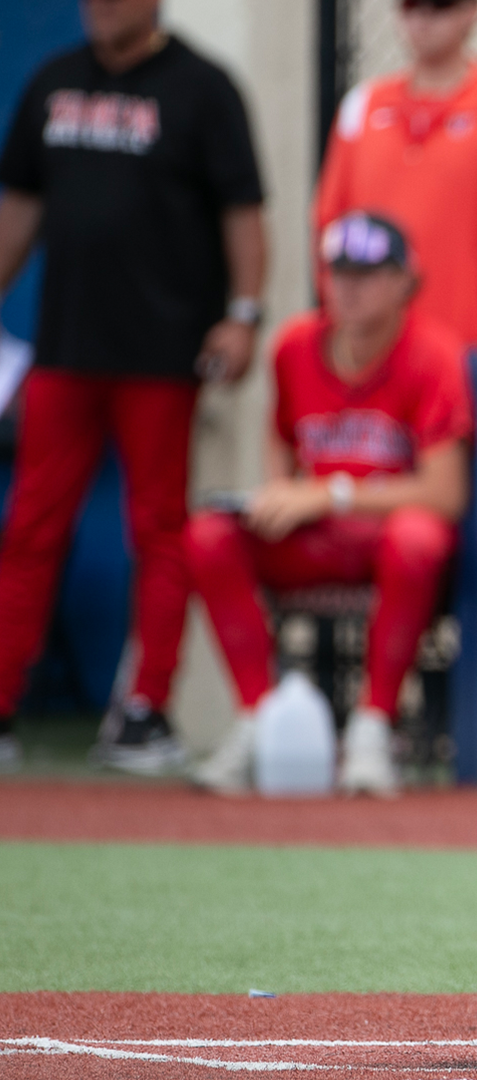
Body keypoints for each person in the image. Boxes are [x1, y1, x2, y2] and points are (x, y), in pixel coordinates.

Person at [0, 0, 265, 774]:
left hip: (161, 354)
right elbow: (20, 205)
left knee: (157, 529)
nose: (98, 8)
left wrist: (243, 315)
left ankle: (144, 711)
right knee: (31, 527)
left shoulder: (202, 87)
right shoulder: (54, 82)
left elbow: (244, 212)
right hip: (65, 350)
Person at [185, 213, 471, 798]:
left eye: (367, 273)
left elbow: (446, 494)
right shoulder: (294, 346)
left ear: (404, 281)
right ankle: (259, 719)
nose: (349, 287)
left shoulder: (434, 354)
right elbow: (281, 440)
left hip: (383, 541)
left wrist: (331, 491)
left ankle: (373, 727)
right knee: (209, 534)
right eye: (338, 272)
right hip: (316, 539)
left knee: (418, 537)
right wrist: (277, 494)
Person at [314, 0, 477, 346]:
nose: (423, 20)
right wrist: (353, 319)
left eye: (440, 6)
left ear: (472, 11)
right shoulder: (362, 107)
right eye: (411, 7)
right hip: (375, 352)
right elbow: (330, 224)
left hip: (470, 349)